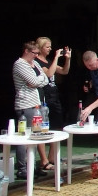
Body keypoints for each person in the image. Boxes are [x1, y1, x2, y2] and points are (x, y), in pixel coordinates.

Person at [12, 41, 49, 179]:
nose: (36, 56)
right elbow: (34, 81)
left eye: (37, 53)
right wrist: (36, 81)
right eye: (34, 53)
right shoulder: (20, 64)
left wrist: (36, 80)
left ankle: (32, 166)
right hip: (25, 105)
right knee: (24, 137)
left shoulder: (35, 63)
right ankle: (22, 168)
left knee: (36, 134)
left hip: (36, 104)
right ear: (26, 51)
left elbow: (45, 79)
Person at [34, 37, 71, 171]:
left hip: (55, 97)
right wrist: (56, 57)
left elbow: (64, 71)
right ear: (40, 48)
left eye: (50, 47)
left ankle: (52, 157)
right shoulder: (36, 62)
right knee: (42, 129)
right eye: (47, 47)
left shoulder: (49, 61)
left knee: (57, 127)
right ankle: (43, 160)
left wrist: (67, 58)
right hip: (44, 97)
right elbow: (49, 73)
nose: (50, 49)